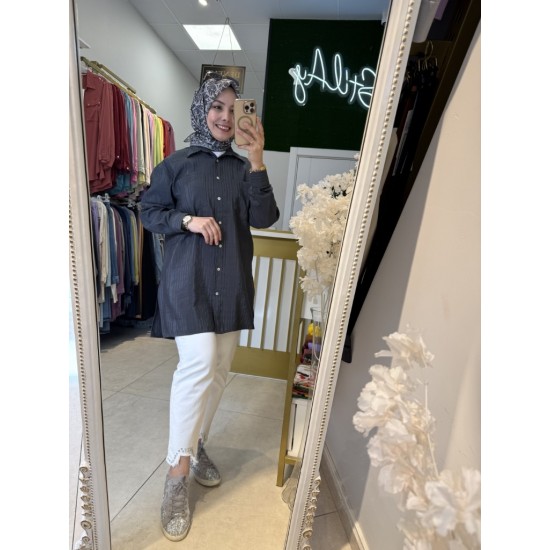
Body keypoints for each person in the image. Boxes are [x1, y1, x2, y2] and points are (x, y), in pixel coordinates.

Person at [139, 73, 279, 542]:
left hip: (231, 283)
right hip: (189, 283)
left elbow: (264, 218)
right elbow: (148, 211)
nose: (224, 116)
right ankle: (176, 474)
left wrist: (257, 160)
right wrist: (188, 220)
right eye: (217, 106)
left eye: (233, 109)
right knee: (198, 365)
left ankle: (197, 444)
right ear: (202, 109)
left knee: (219, 372)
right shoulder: (175, 164)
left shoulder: (244, 169)